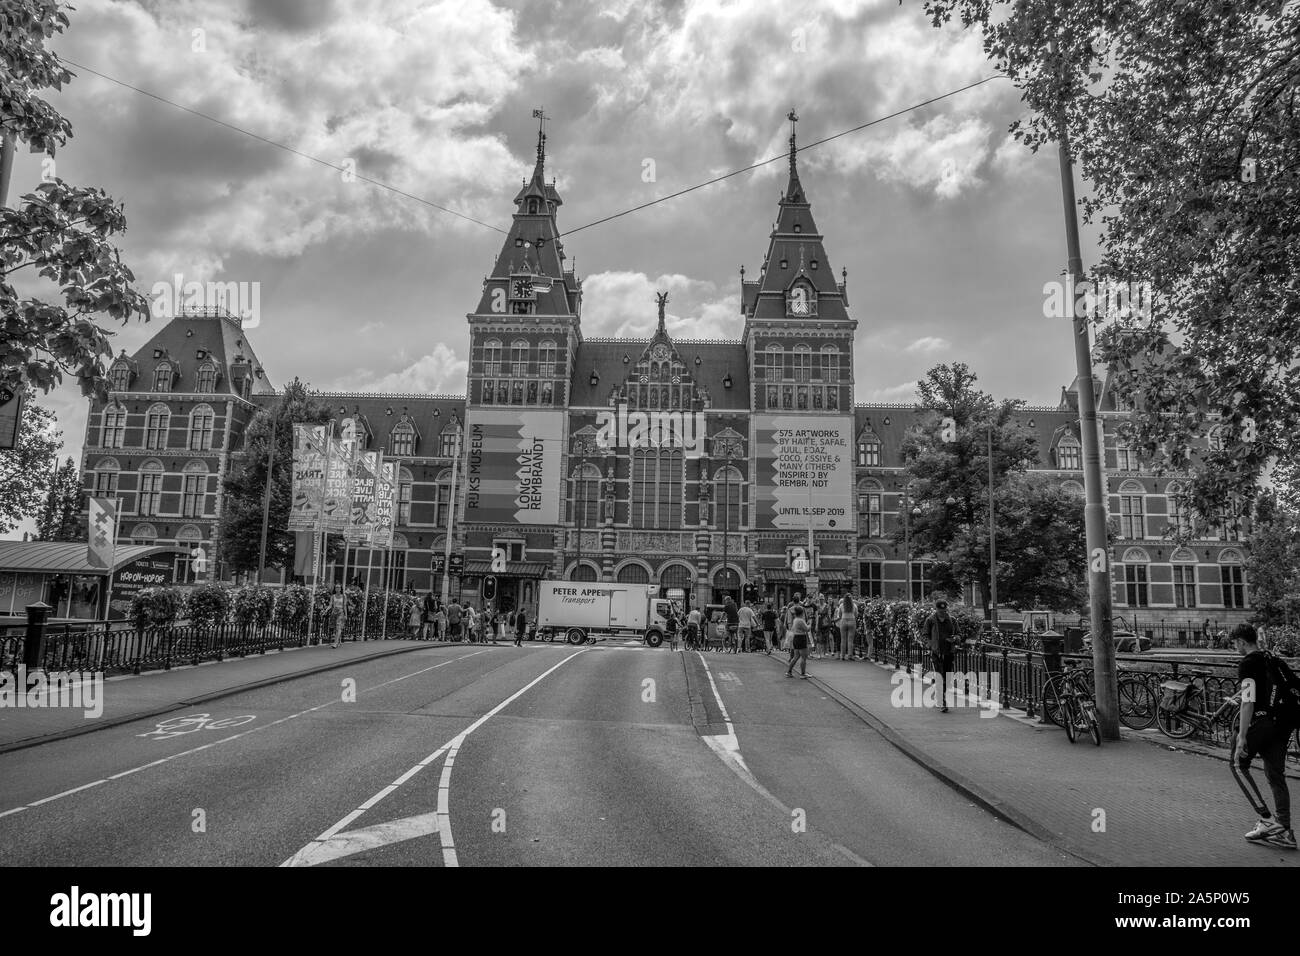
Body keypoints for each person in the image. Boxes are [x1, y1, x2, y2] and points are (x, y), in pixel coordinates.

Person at [1235, 623, 1296, 849]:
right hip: (1281, 725)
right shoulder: (1272, 658)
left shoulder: (1248, 663)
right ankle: (1286, 831)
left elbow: (1248, 701)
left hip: (1261, 724)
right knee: (1276, 776)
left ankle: (1268, 820)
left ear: (1241, 642)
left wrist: (1242, 736)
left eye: (1235, 644)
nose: (1235, 648)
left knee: (1237, 764)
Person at [925, 599, 957, 712]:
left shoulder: (952, 620)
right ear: (936, 609)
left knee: (947, 679)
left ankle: (940, 696)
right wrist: (931, 646)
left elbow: (958, 633)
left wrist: (954, 639)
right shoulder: (930, 620)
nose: (943, 612)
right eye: (940, 610)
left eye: (944, 610)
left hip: (949, 652)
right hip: (936, 653)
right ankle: (942, 702)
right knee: (939, 677)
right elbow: (926, 635)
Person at [785, 606, 811, 679]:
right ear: (802, 613)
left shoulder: (795, 619)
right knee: (804, 657)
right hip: (801, 638)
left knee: (796, 656)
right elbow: (807, 629)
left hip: (795, 638)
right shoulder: (801, 620)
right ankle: (803, 673)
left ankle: (789, 671)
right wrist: (810, 624)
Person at [838, 591, 857, 661]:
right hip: (852, 620)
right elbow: (856, 614)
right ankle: (850, 656)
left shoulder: (841, 605)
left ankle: (842, 656)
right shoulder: (854, 605)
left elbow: (839, 615)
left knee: (843, 640)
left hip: (843, 620)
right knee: (850, 640)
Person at [330, 583, 345, 649]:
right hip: (334, 612)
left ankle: (335, 643)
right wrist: (326, 610)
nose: (337, 589)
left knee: (338, 627)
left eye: (339, 587)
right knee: (335, 628)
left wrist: (346, 615)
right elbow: (330, 605)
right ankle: (339, 641)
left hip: (340, 612)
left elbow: (344, 606)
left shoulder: (344, 596)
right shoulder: (333, 596)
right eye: (336, 587)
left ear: (341, 588)